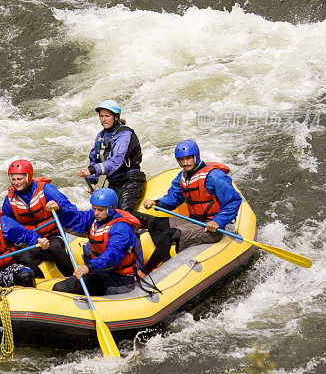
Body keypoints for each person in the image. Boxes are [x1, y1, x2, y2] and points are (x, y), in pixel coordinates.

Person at [141, 139, 242, 273]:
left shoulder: (214, 176)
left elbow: (234, 201)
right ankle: (165, 260)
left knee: (169, 234)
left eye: (188, 158)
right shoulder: (182, 176)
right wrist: (157, 202)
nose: (185, 163)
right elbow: (174, 198)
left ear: (196, 157)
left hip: (211, 228)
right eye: (181, 160)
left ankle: (144, 272)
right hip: (194, 221)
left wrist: (218, 221)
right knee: (153, 223)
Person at [52, 187, 141, 296]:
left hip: (121, 279)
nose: (96, 213)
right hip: (100, 272)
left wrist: (89, 266)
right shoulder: (94, 218)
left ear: (110, 208)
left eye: (100, 210)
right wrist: (60, 210)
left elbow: (112, 256)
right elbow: (78, 218)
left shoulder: (121, 228)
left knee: (75, 286)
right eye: (94, 209)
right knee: (59, 287)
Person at [2, 159, 84, 277]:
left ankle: (73, 278)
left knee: (54, 247)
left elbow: (70, 208)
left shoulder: (46, 189)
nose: (16, 183)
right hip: (32, 241)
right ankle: (39, 281)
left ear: (28, 177)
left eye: (19, 179)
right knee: (19, 255)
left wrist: (58, 207)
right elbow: (6, 224)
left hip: (52, 236)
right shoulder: (9, 199)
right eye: (13, 179)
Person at [78, 99, 146, 211]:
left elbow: (115, 161)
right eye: (101, 116)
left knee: (124, 213)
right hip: (114, 182)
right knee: (105, 213)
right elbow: (95, 159)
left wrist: (92, 170)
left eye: (107, 116)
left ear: (116, 117)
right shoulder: (101, 136)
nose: (103, 119)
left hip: (131, 181)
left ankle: (163, 224)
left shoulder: (125, 134)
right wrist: (92, 181)